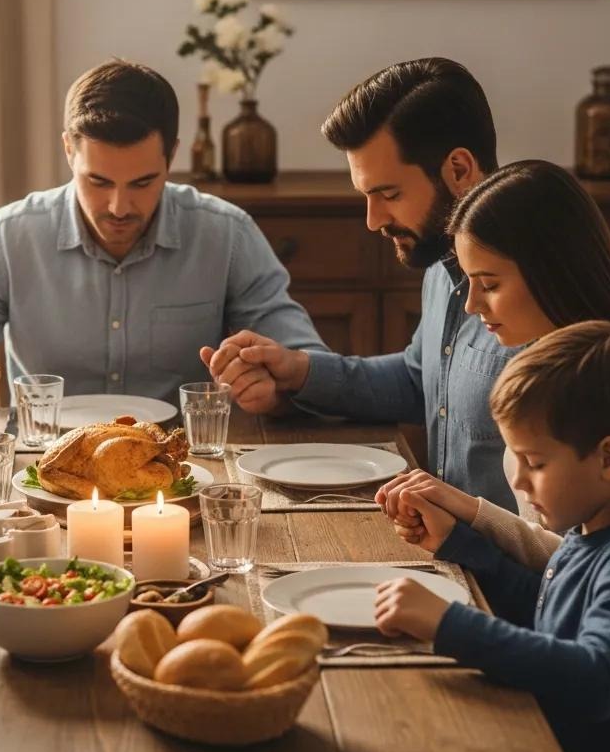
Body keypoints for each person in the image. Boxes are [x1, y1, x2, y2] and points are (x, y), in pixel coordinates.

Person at [316, 321, 610, 752]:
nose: (515, 476)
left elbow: (598, 675)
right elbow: (544, 608)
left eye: (534, 463)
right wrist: (456, 543)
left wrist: (449, 623)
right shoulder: (593, 530)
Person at [0, 58, 326, 415]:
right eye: (98, 181)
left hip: (181, 471)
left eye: (142, 183)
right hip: (44, 469)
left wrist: (275, 392)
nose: (119, 207)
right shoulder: (8, 238)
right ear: (68, 150)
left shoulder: (226, 235)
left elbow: (314, 370)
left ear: (172, 154)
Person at [203, 58, 522, 511]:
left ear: (459, 170)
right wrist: (298, 369)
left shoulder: (539, 291)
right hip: (450, 555)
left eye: (389, 195)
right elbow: (419, 381)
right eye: (366, 196)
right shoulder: (440, 258)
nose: (374, 221)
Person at [375, 161, 610, 570]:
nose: (471, 305)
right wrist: (465, 511)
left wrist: (468, 526)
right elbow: (561, 552)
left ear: (553, 270)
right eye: (468, 283)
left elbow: (581, 572)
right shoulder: (551, 368)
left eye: (491, 285)